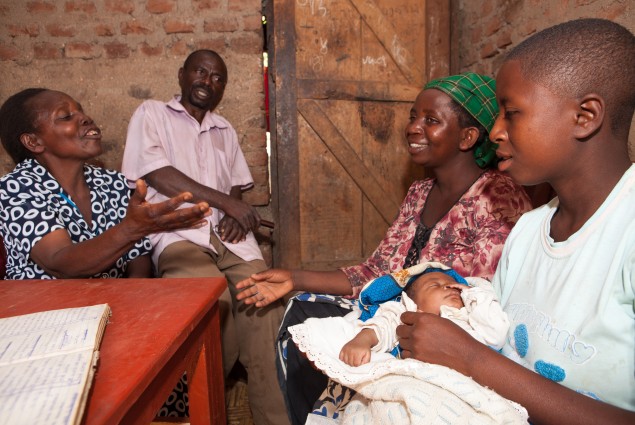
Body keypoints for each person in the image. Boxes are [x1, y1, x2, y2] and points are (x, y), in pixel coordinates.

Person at [237, 72, 533, 424]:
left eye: (431, 120)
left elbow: (476, 292)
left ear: (468, 136)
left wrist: (390, 321)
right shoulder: (419, 194)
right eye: (413, 117)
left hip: (446, 333)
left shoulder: (498, 196)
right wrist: (293, 277)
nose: (412, 128)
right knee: (301, 312)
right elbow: (375, 272)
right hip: (392, 315)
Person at [396, 18, 635, 424]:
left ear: (585, 116)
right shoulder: (527, 232)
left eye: (511, 113)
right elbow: (495, 342)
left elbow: (482, 363)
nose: (494, 131)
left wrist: (469, 358)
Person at [121, 49, 288, 424]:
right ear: (182, 75)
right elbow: (157, 173)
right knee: (209, 299)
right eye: (201, 72)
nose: (207, 81)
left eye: (217, 78)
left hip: (230, 239)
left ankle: (273, 417)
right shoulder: (151, 113)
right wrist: (227, 205)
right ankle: (201, 407)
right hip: (179, 233)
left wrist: (234, 211)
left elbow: (234, 187)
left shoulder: (223, 129)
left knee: (265, 304)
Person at [0, 88, 210, 280]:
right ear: (34, 142)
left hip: (113, 305)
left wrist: (134, 303)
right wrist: (133, 229)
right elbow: (60, 262)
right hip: (47, 313)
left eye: (81, 111)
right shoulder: (15, 188)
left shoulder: (111, 182)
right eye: (66, 116)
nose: (85, 118)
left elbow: (137, 257)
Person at [339, 262, 508, 367]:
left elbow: (497, 335)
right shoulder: (409, 314)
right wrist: (361, 342)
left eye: (453, 285)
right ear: (412, 301)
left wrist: (473, 295)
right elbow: (383, 325)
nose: (448, 287)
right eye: (434, 286)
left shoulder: (472, 316)